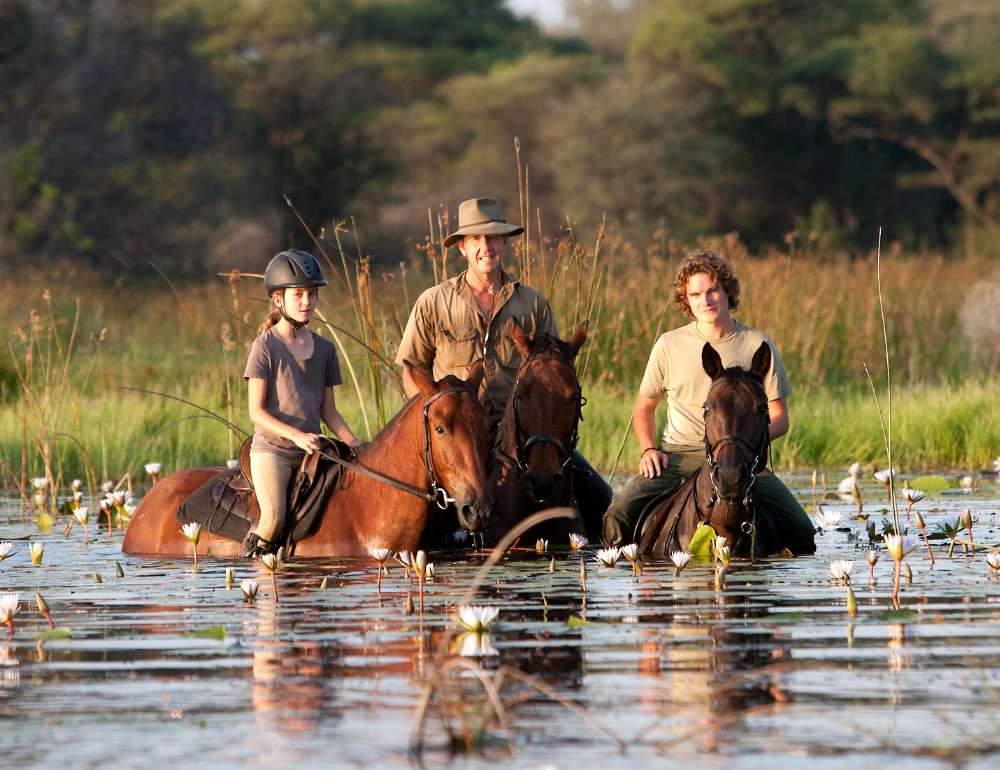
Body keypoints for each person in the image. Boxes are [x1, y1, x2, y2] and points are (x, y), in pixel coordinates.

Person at [396, 197, 612, 538]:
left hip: (521, 434)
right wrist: (436, 420)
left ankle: (593, 557)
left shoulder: (533, 302)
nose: (486, 247)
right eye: (476, 240)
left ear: (505, 243)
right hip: (457, 435)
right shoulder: (433, 301)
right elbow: (410, 371)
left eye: (493, 238)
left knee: (600, 495)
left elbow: (552, 375)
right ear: (462, 248)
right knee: (424, 522)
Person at [601, 249, 815, 553]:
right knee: (616, 517)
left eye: (713, 290)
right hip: (677, 456)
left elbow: (780, 416)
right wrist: (648, 449)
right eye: (696, 293)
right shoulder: (668, 344)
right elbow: (644, 409)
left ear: (727, 291)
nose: (706, 300)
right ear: (685, 300)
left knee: (802, 532)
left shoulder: (759, 345)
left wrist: (743, 447)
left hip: (741, 461)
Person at [241, 249, 361, 557]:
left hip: (314, 452)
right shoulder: (264, 347)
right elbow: (256, 411)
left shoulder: (325, 349)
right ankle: (253, 571)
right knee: (275, 517)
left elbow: (329, 413)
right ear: (278, 299)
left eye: (312, 294)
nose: (307, 301)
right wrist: (296, 435)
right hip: (274, 451)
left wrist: (358, 446)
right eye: (298, 294)